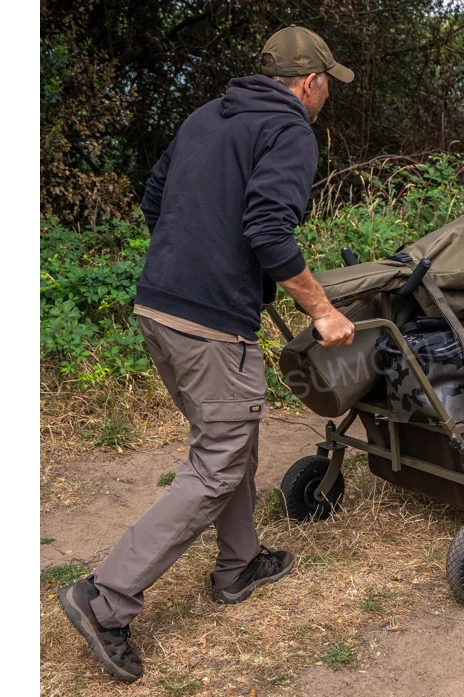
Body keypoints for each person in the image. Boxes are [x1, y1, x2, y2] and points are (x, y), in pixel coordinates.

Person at [57, 26, 356, 683]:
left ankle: (237, 563)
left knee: (230, 438)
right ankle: (104, 598)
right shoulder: (290, 131)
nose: (328, 91)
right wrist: (323, 309)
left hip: (156, 304)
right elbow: (270, 229)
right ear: (309, 82)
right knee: (220, 459)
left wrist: (194, 258)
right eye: (328, 80)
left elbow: (156, 200)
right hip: (207, 322)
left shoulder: (204, 117)